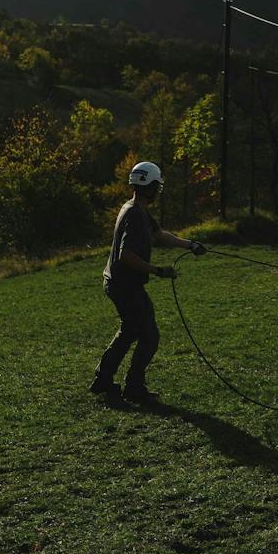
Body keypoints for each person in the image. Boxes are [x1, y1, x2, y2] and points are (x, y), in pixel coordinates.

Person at [90, 161, 205, 403]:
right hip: (124, 285)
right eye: (157, 186)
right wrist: (158, 270)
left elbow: (160, 235)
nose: (158, 190)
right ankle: (133, 387)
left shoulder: (134, 208)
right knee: (149, 335)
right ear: (150, 186)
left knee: (130, 330)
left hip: (118, 282)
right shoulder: (135, 215)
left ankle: (103, 380)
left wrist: (190, 245)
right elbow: (127, 255)